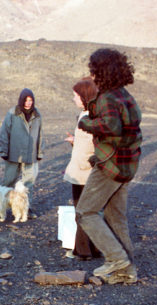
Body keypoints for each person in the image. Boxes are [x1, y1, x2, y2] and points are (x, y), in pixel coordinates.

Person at [76, 48, 142, 283]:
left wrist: (87, 123)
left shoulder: (108, 98)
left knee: (86, 212)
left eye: (93, 69)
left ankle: (116, 259)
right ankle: (127, 270)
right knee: (116, 217)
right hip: (126, 164)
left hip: (111, 166)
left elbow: (111, 126)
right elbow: (126, 131)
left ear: (101, 70)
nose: (91, 74)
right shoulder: (125, 95)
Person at [64, 78, 101, 260]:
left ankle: (84, 251)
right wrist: (75, 141)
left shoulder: (92, 118)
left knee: (83, 211)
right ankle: (91, 249)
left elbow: (98, 146)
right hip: (80, 171)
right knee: (85, 210)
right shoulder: (84, 116)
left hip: (86, 172)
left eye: (76, 95)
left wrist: (90, 164)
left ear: (85, 97)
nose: (74, 99)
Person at [0, 88, 44, 193]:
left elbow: (40, 134)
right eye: (26, 100)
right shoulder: (12, 113)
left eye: (30, 100)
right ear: (21, 100)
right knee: (9, 181)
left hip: (30, 155)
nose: (28, 103)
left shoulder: (37, 115)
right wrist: (3, 151)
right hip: (14, 154)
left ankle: (25, 207)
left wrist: (40, 152)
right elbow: (4, 132)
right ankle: (2, 205)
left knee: (28, 183)